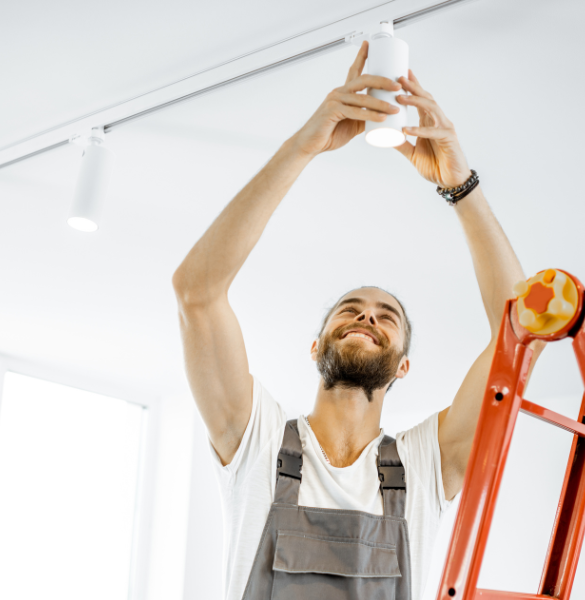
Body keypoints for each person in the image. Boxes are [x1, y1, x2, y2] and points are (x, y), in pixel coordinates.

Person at [172, 41, 542, 600]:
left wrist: (460, 185)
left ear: (403, 366)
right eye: (351, 309)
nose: (367, 314)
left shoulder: (424, 466)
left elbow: (522, 334)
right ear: (316, 344)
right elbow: (196, 292)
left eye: (385, 316)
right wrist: (304, 147)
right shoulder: (259, 442)